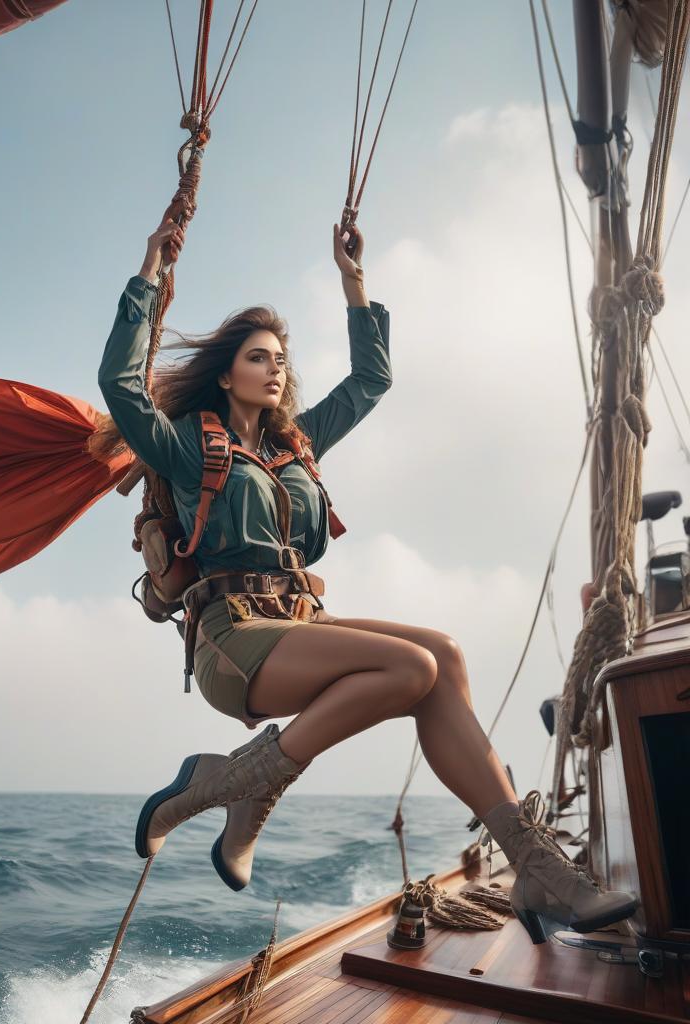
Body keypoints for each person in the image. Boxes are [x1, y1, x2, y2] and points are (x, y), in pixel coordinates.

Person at [97, 210, 638, 945]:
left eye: (281, 358)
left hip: (297, 625)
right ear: (227, 374)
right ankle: (229, 783)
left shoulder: (296, 444)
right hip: (231, 639)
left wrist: (355, 283)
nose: (276, 367)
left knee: (443, 656)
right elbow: (121, 386)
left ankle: (533, 866)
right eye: (259, 357)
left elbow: (373, 378)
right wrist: (149, 273)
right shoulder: (190, 447)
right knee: (413, 666)